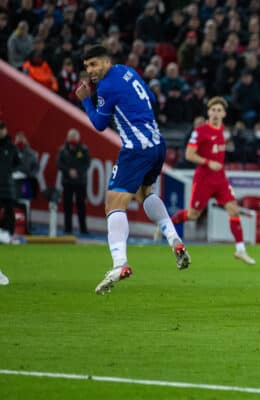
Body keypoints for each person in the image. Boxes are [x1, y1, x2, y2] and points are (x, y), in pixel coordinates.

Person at [75, 44, 191, 295]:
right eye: (86, 67)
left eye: (94, 65)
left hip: (136, 148)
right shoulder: (128, 71)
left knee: (113, 204)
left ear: (106, 61)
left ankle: (119, 263)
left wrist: (86, 100)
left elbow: (99, 124)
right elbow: (149, 97)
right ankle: (174, 239)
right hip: (157, 144)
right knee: (144, 193)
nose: (90, 71)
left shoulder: (106, 87)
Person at [167, 97, 255, 265]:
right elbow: (188, 155)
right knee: (193, 214)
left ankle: (240, 250)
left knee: (233, 210)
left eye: (219, 110)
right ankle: (167, 225)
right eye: (213, 110)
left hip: (220, 179)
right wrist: (208, 162)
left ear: (224, 114)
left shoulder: (223, 130)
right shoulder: (200, 131)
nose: (215, 113)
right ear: (208, 112)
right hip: (204, 179)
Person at [57, 129, 90, 235]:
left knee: (81, 206)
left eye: (74, 137)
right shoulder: (62, 150)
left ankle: (83, 229)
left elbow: (87, 164)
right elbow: (59, 163)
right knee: (67, 206)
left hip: (80, 182)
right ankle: (67, 229)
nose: (73, 139)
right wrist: (68, 171)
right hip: (67, 182)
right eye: (71, 137)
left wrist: (78, 172)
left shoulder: (83, 149)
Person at [0, 121, 20, 239]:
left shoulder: (12, 147)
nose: (1, 131)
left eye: (2, 129)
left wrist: (9, 172)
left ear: (6, 131)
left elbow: (17, 163)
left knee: (9, 211)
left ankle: (9, 234)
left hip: (7, 185)